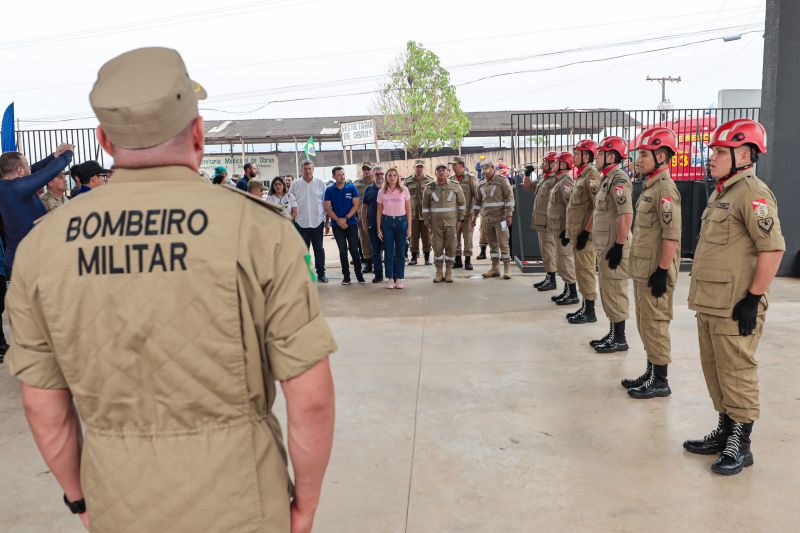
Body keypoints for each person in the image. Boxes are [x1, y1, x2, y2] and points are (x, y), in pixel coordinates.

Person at [5, 47, 336, 533]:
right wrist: (304, 506)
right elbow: (311, 398)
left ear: (105, 140)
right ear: (198, 133)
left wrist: (80, 500)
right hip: (243, 499)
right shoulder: (259, 231)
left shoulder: (42, 247)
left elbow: (42, 403)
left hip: (118, 500)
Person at [683, 119, 784, 476]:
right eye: (713, 151)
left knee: (737, 372)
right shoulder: (722, 192)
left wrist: (753, 298)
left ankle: (740, 443)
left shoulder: (753, 193)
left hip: (734, 305)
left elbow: (772, 249)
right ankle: (725, 430)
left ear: (743, 155)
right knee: (716, 371)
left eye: (720, 152)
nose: (712, 157)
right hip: (711, 302)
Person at [620, 127, 682, 399]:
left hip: (656, 271)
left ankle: (661, 381)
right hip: (644, 270)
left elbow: (671, 234)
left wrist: (662, 270)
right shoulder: (651, 187)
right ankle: (651, 371)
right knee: (646, 323)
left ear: (662, 156)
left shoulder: (665, 189)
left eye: (644, 154)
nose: (639, 159)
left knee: (655, 325)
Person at [0, 145, 74, 278]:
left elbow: (34, 170)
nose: (30, 168)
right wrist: (67, 153)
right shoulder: (17, 188)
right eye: (27, 165)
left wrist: (53, 156)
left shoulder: (7, 187)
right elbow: (48, 172)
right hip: (28, 264)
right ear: (20, 170)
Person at [589, 136, 634, 354]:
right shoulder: (607, 179)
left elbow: (626, 215)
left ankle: (620, 338)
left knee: (615, 291)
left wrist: (619, 245)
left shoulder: (618, 180)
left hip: (615, 246)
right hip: (606, 245)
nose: (596, 157)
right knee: (608, 290)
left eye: (600, 154)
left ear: (611, 156)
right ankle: (613, 332)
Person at [564, 140, 602, 325]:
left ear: (586, 156)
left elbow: (598, 207)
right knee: (580, 271)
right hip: (577, 233)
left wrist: (587, 231)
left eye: (577, 154)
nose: (574, 157)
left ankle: (590, 311)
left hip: (585, 236)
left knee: (586, 272)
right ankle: (585, 306)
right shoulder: (581, 176)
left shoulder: (592, 176)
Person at [424, 162, 465, 283]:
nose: (441, 172)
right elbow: (425, 206)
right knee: (437, 249)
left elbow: (462, 204)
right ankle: (439, 272)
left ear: (448, 172)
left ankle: (449, 272)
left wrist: (460, 220)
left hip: (451, 224)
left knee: (450, 248)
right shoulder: (429, 187)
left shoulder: (455, 186)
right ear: (435, 173)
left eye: (443, 170)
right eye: (438, 170)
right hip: (435, 225)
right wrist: (427, 222)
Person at [473, 159, 514, 279]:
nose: (486, 173)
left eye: (487, 170)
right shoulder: (481, 183)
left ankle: (507, 268)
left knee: (503, 243)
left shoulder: (502, 180)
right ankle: (495, 268)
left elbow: (509, 197)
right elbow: (477, 202)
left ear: (493, 168)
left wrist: (509, 214)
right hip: (487, 218)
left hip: (501, 218)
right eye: (484, 171)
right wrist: (474, 217)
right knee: (492, 244)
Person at [324, 166, 364, 285]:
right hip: (337, 226)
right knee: (342, 251)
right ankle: (346, 277)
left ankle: (359, 275)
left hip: (351, 224)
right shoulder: (329, 190)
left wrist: (345, 219)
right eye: (339, 174)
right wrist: (338, 220)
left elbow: (356, 205)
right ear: (333, 177)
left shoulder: (351, 187)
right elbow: (327, 208)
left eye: (343, 174)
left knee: (354, 250)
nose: (342, 176)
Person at [547, 152, 578, 305]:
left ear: (564, 164)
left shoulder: (566, 182)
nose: (553, 165)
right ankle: (567, 290)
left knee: (566, 260)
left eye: (556, 162)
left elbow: (570, 207)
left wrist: (567, 229)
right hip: (557, 229)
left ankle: (573, 293)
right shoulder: (559, 181)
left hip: (563, 230)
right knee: (561, 260)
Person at [291, 159, 329, 283]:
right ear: (301, 170)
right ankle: (306, 274)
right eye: (305, 169)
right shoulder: (295, 185)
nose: (307, 171)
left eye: (309, 169)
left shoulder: (321, 184)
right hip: (300, 222)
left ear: (313, 169)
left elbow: (326, 204)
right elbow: (290, 203)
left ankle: (321, 274)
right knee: (303, 250)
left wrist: (326, 222)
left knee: (319, 249)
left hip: (317, 221)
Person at [526, 151, 559, 290]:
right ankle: (548, 276)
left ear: (552, 164)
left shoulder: (555, 180)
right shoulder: (543, 178)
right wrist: (527, 175)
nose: (542, 164)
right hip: (540, 221)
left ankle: (552, 279)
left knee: (549, 250)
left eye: (545, 162)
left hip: (548, 222)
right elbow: (528, 187)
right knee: (544, 250)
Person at [377, 167, 411, 289]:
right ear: (386, 177)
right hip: (386, 223)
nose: (392, 178)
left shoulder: (404, 190)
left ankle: (399, 278)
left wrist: (409, 228)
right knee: (389, 252)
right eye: (390, 175)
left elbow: (408, 210)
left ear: (398, 177)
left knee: (400, 252)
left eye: (394, 175)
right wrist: (378, 229)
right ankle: (390, 278)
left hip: (401, 222)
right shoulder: (381, 192)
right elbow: (379, 211)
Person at [450, 156, 479, 271]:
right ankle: (458, 260)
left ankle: (468, 260)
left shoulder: (470, 178)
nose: (453, 167)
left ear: (461, 165)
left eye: (455, 165)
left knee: (468, 238)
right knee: (455, 238)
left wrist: (474, 213)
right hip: (454, 216)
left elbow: (477, 196)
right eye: (452, 165)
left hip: (467, 215)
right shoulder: (451, 179)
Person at [405, 160, 434, 266]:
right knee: (413, 237)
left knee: (427, 237)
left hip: (426, 214)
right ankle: (413, 258)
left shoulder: (430, 181)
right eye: (417, 167)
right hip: (412, 214)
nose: (419, 169)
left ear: (424, 168)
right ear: (414, 168)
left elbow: (434, 197)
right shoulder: (408, 181)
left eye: (421, 167)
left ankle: (427, 258)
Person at [360, 165, 385, 283]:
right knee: (375, 252)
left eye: (381, 174)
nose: (379, 176)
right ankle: (378, 275)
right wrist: (364, 224)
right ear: (373, 176)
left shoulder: (389, 187)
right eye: (377, 174)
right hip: (373, 225)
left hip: (388, 226)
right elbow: (363, 207)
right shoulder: (368, 189)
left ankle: (392, 275)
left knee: (390, 251)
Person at [353, 162, 375, 274]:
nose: (366, 171)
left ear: (372, 170)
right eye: (364, 169)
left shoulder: (377, 183)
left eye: (368, 169)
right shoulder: (356, 184)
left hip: (375, 216)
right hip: (362, 217)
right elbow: (353, 202)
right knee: (364, 241)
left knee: (376, 240)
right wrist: (355, 216)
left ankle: (377, 263)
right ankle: (368, 264)